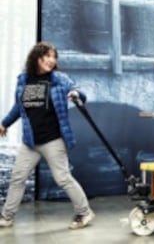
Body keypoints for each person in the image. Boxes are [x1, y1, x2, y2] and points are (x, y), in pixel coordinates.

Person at [0, 42, 95, 229]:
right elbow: (18, 108)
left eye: (54, 57)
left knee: (63, 178)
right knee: (18, 178)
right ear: (37, 57)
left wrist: (76, 93)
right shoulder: (24, 80)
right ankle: (7, 217)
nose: (52, 60)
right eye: (48, 56)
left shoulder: (59, 79)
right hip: (30, 142)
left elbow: (80, 93)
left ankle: (85, 213)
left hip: (53, 140)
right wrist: (4, 123)